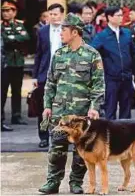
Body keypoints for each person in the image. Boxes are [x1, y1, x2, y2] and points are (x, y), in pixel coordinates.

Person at [38, 13, 105, 194]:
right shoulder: (59, 54)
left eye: (64, 30)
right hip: (60, 114)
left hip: (82, 116)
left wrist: (94, 108)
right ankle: (53, 182)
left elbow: (98, 85)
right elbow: (50, 83)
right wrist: (47, 106)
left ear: (75, 32)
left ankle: (76, 182)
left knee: (80, 152)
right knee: (56, 150)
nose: (60, 33)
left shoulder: (92, 55)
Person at [91, 6, 135, 120]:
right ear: (109, 17)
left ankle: (125, 136)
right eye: (118, 15)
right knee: (110, 110)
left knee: (126, 111)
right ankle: (110, 137)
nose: (122, 18)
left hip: (126, 78)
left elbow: (133, 53)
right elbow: (92, 53)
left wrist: (132, 72)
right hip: (110, 79)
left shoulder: (126, 33)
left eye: (122, 15)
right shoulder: (102, 36)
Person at [33, 3, 64, 148]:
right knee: (44, 107)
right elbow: (38, 54)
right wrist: (35, 76)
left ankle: (62, 135)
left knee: (63, 106)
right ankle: (44, 136)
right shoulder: (42, 31)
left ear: (62, 15)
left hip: (64, 75)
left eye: (56, 14)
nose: (53, 17)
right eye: (51, 14)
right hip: (45, 74)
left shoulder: (69, 30)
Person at [1, 0, 30, 128]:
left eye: (8, 11)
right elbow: (5, 40)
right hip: (5, 63)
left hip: (18, 62)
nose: (5, 13)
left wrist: (13, 39)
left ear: (14, 12)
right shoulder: (1, 26)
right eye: (3, 11)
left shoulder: (19, 24)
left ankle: (16, 115)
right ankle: (1, 116)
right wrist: (15, 39)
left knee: (17, 90)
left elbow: (26, 37)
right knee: (2, 90)